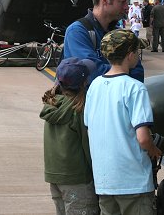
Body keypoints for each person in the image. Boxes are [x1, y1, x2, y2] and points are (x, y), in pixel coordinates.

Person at [84, 29, 161, 215]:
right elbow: (143, 139)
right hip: (133, 182)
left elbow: (89, 127)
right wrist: (154, 150)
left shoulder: (94, 86)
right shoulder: (135, 88)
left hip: (104, 182)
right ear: (130, 55)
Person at [40, 57, 100, 215]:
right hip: (77, 179)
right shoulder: (79, 110)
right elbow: (88, 147)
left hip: (55, 176)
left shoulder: (53, 104)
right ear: (84, 82)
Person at [63, 0, 144, 84]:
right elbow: (92, 74)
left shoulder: (120, 34)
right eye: (122, 2)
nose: (126, 7)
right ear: (105, 0)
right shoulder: (77, 32)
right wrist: (125, 71)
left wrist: (113, 72)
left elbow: (138, 72)